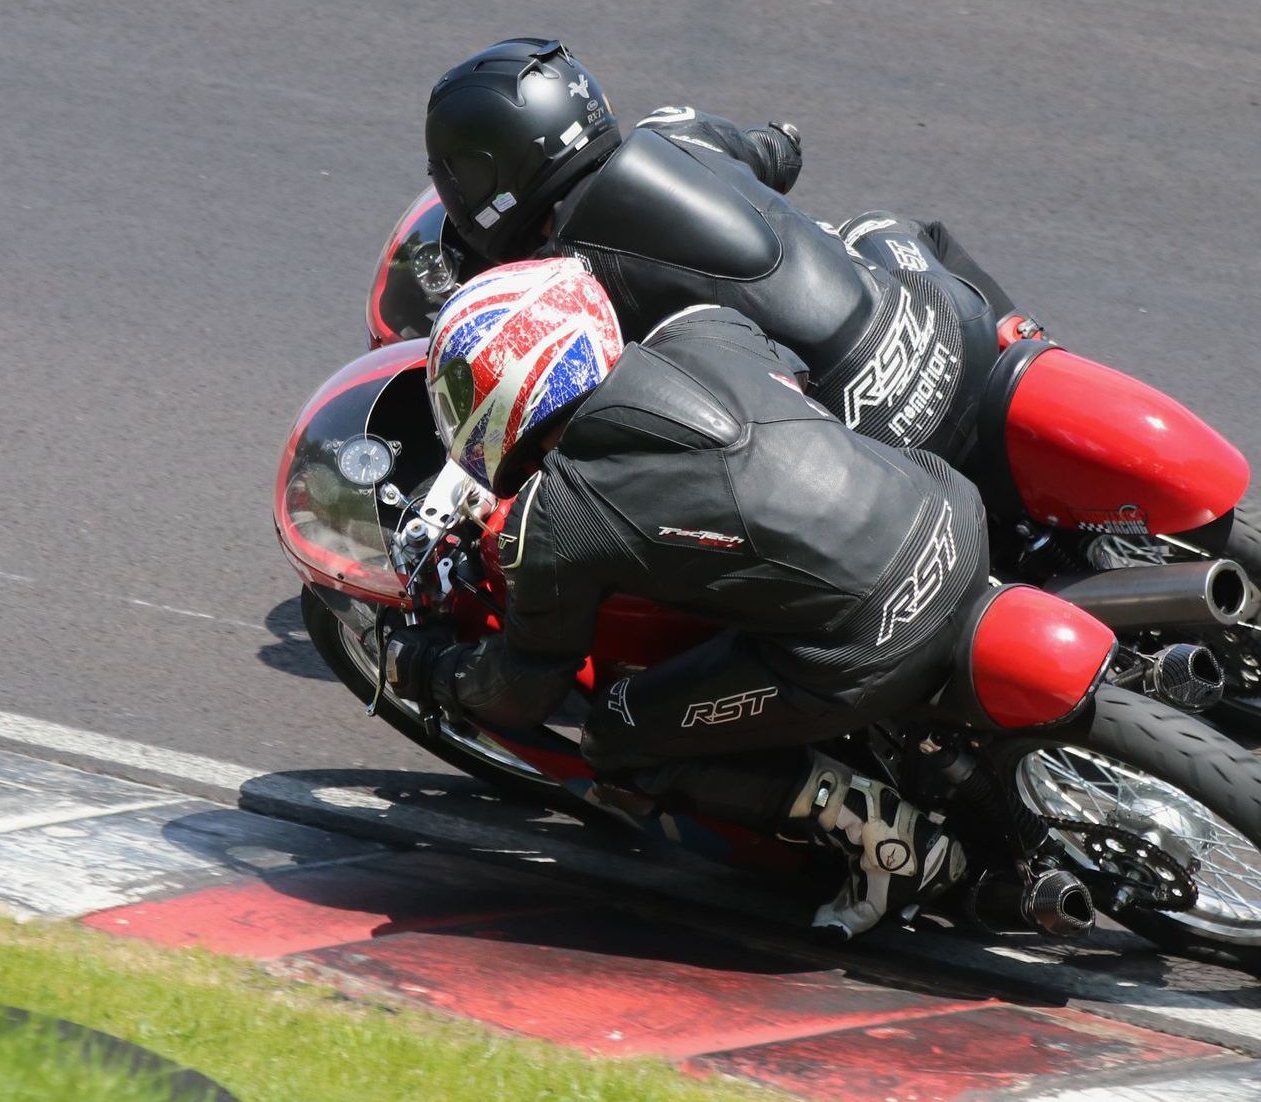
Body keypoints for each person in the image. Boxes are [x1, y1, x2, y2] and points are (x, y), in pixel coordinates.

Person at [383, 256, 990, 938]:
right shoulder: (705, 327)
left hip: (861, 644)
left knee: (617, 733)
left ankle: (890, 842)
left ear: (505, 387)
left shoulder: (554, 516)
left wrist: (431, 669)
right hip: (953, 517)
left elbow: (525, 690)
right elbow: (793, 381)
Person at [423, 38, 1030, 463]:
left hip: (871, 440)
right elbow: (779, 153)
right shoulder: (674, 131)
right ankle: (1035, 352)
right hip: (955, 338)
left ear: (485, 174)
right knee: (877, 225)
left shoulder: (560, 284)